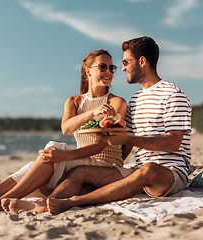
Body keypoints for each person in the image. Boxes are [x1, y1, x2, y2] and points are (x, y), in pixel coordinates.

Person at [0, 49, 127, 213]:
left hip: (106, 164)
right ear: (88, 71)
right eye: (103, 67)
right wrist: (92, 112)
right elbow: (66, 127)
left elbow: (100, 146)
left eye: (112, 68)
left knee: (52, 152)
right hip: (79, 159)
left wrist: (62, 156)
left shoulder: (116, 103)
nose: (108, 72)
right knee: (34, 165)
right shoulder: (74, 101)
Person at [33, 36, 191, 214]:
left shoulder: (172, 95)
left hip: (171, 174)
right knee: (80, 172)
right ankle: (46, 203)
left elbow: (173, 143)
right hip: (136, 170)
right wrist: (115, 158)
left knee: (149, 169)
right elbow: (127, 142)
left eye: (126, 62)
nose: (122, 68)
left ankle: (75, 202)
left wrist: (130, 138)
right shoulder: (135, 99)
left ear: (142, 61)